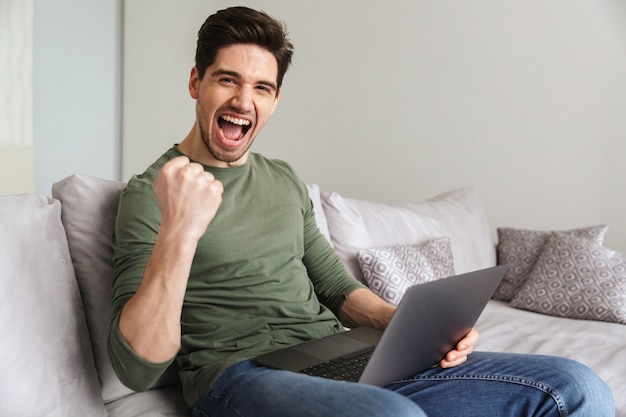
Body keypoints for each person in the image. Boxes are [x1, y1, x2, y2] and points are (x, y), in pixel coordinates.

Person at [108, 6, 614, 417]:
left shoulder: (282, 179)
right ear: (197, 82)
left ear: (276, 98)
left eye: (261, 87)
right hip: (240, 376)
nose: (244, 100)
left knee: (575, 385)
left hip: (340, 356)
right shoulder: (152, 191)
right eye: (227, 80)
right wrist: (180, 229)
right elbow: (138, 367)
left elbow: (337, 289)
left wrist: (412, 330)